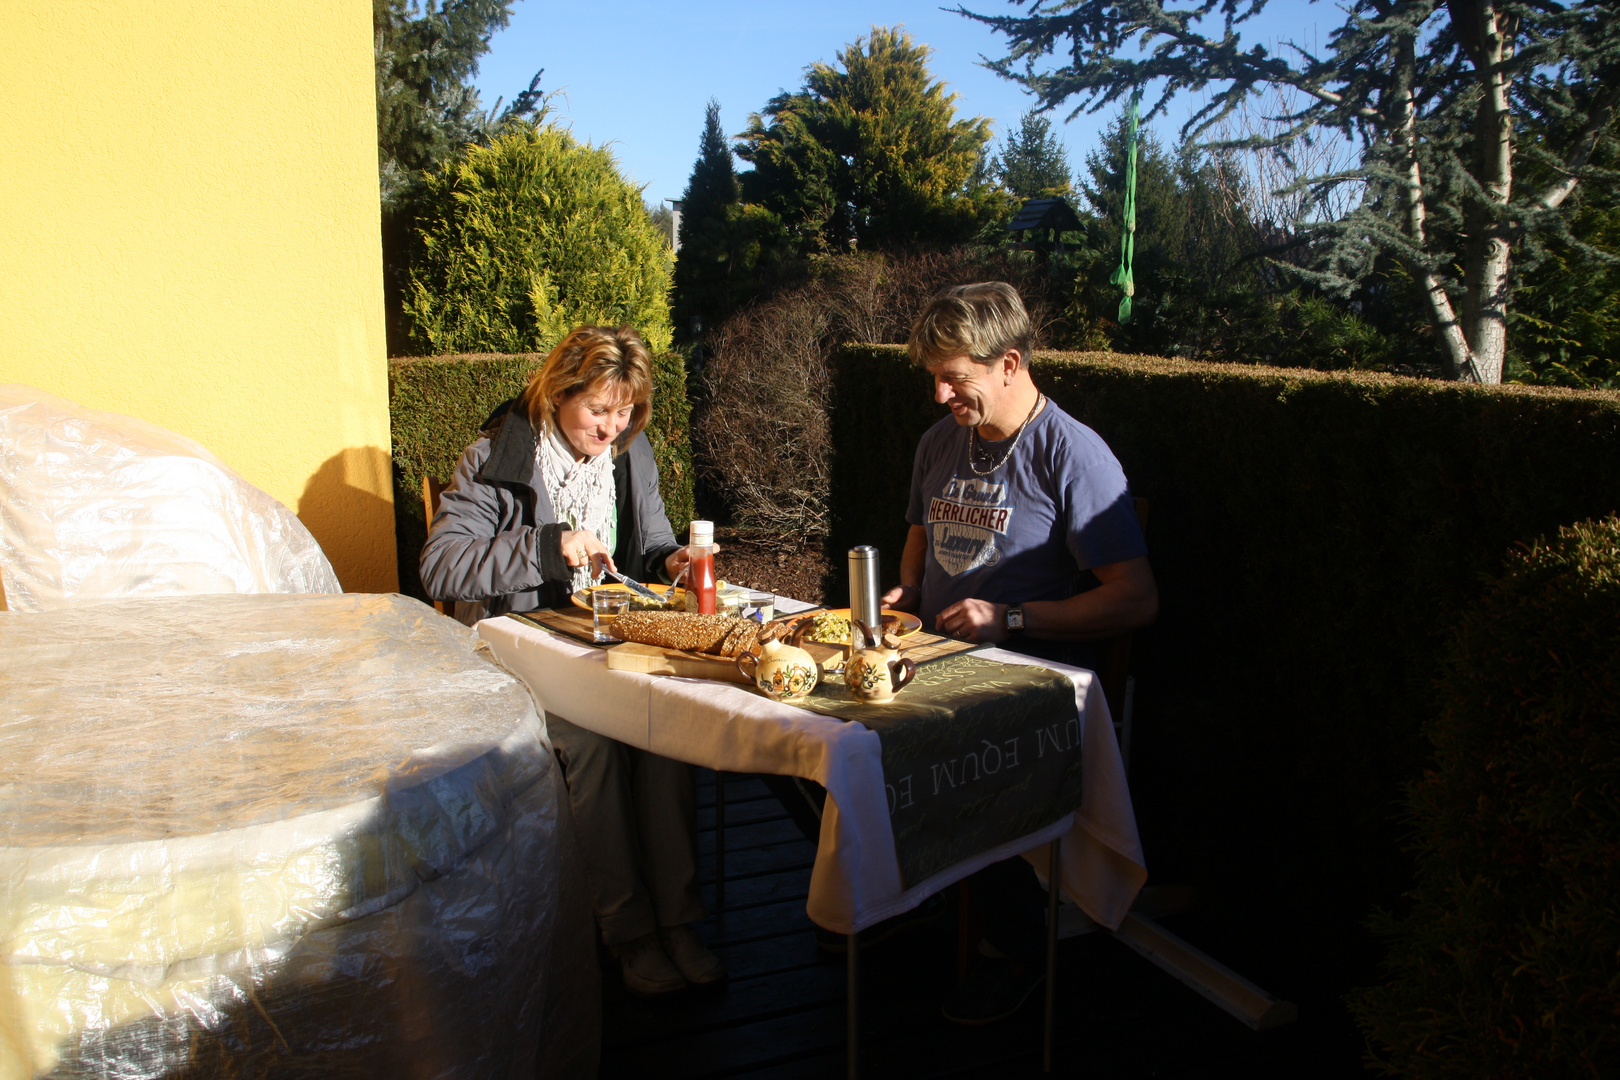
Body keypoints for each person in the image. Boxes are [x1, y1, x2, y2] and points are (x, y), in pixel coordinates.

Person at [880, 282, 1158, 1024]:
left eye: (955, 379)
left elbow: (1136, 597)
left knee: (955, 750)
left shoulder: (1075, 455)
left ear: (1010, 362)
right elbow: (919, 532)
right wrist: (908, 589)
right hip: (936, 655)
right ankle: (918, 892)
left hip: (1033, 673)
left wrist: (1008, 615)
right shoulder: (940, 442)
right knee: (827, 727)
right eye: (933, 378)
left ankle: (1018, 947)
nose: (940, 396)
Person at [420, 324, 726, 997]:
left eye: (624, 413)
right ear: (559, 393)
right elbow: (440, 567)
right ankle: (628, 931)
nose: (611, 428)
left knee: (665, 729)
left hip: (610, 639)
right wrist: (544, 545)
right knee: (590, 744)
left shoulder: (629, 452)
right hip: (527, 648)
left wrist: (668, 561)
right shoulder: (498, 456)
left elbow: (645, 553)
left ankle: (677, 920)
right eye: (597, 410)